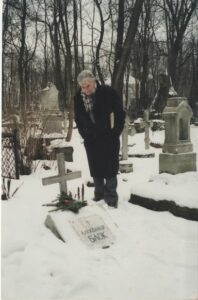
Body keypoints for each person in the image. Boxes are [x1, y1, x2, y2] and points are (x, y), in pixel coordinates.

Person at [74, 70, 125, 208]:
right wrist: (84, 134)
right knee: (95, 166)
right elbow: (78, 119)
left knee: (110, 166)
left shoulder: (108, 93)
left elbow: (120, 113)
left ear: (94, 82)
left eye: (88, 86)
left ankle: (111, 197)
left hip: (108, 137)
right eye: (82, 87)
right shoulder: (78, 98)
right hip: (91, 139)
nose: (85, 89)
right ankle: (99, 194)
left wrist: (115, 132)